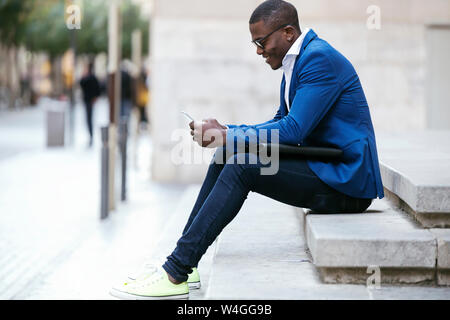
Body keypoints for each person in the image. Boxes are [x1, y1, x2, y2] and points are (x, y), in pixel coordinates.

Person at [110, 0, 384, 300]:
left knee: (242, 165)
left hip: (346, 184)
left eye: (261, 41)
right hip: (325, 165)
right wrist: (228, 134)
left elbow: (293, 131)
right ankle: (185, 263)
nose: (258, 50)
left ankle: (175, 272)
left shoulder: (319, 60)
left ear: (289, 32)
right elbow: (282, 121)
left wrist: (228, 134)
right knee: (227, 154)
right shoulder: (300, 59)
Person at [79, 62, 101, 147]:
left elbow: (82, 83)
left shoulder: (90, 78)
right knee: (89, 119)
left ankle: (91, 136)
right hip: (88, 100)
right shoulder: (92, 78)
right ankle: (90, 136)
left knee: (89, 119)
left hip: (89, 101)